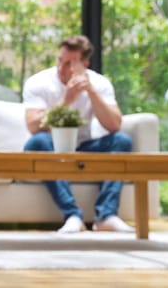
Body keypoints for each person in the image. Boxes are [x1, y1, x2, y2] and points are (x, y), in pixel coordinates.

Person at [22, 34, 134, 234]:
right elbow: (32, 125)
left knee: (121, 141)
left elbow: (114, 125)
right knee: (38, 142)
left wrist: (90, 91)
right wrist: (67, 99)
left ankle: (106, 216)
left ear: (84, 64)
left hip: (84, 147)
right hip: (52, 147)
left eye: (69, 64)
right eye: (60, 60)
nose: (61, 68)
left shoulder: (100, 84)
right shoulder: (38, 82)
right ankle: (73, 215)